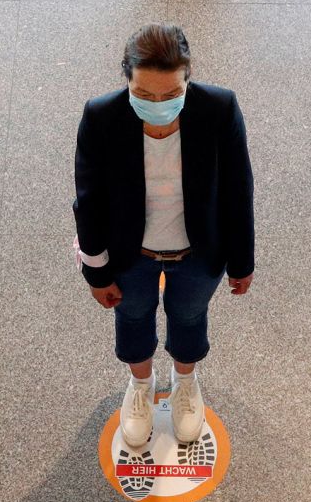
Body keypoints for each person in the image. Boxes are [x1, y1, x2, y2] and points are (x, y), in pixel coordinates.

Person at [73, 24, 255, 449]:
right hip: (130, 253)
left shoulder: (219, 108)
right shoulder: (101, 116)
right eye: (146, 95)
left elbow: (238, 188)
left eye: (172, 94)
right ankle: (141, 385)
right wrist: (97, 273)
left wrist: (242, 262)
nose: (159, 104)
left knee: (189, 316)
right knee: (133, 315)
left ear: (188, 78)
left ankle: (185, 383)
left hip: (198, 250)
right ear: (127, 79)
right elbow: (89, 199)